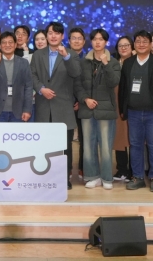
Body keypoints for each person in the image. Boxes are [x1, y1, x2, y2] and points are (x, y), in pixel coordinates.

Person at [118, 30, 153, 192]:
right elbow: (123, 88)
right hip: (133, 112)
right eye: (138, 41)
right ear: (134, 44)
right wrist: (123, 109)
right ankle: (138, 177)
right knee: (135, 145)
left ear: (150, 44)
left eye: (145, 41)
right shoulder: (128, 62)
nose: (141, 44)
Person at [30, 21, 81, 190]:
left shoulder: (71, 54)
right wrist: (41, 89)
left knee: (65, 147)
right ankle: (45, 177)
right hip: (43, 106)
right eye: (50, 33)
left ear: (62, 36)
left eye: (57, 33)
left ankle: (64, 178)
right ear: (46, 35)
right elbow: (32, 75)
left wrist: (65, 56)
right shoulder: (38, 55)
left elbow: (76, 73)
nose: (53, 36)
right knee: (44, 146)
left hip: (63, 107)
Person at [76, 28, 121, 190]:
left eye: (101, 39)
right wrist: (85, 99)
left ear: (106, 42)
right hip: (87, 109)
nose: (97, 42)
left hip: (105, 109)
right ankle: (92, 176)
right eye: (95, 39)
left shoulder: (113, 62)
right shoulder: (84, 62)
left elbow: (114, 82)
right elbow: (78, 85)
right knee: (88, 145)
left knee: (106, 147)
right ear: (91, 41)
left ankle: (107, 177)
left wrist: (106, 64)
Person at [0, 32, 32, 123]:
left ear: (15, 45)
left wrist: (27, 109)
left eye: (10, 42)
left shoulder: (23, 63)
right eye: (4, 42)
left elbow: (28, 86)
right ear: (0, 45)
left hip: (18, 111)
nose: (7, 45)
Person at [111, 36, 133, 182]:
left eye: (126, 45)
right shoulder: (114, 64)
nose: (123, 48)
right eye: (120, 46)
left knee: (134, 139)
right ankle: (122, 169)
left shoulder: (137, 62)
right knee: (119, 138)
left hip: (134, 105)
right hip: (118, 106)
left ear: (132, 47)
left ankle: (134, 169)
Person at [68, 27, 87, 181]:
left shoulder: (89, 59)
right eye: (73, 38)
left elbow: (90, 84)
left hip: (84, 103)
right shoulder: (62, 57)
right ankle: (66, 169)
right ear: (68, 41)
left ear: (84, 41)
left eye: (79, 38)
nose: (76, 41)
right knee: (66, 139)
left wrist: (81, 100)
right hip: (66, 103)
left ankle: (83, 168)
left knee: (85, 138)